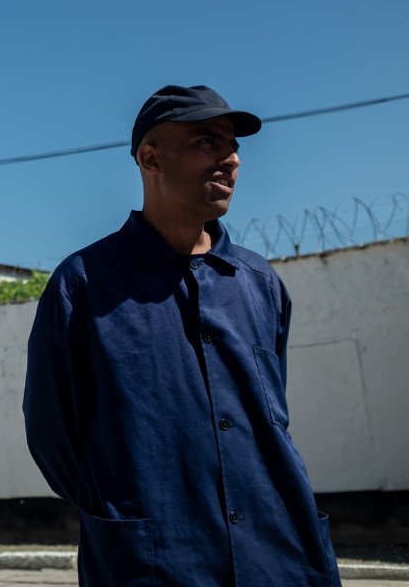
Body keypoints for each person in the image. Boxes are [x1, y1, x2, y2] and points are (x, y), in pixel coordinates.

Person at [24, 85, 341, 586]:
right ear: (151, 158)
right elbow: (52, 435)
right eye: (207, 142)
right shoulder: (85, 285)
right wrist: (125, 511)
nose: (231, 159)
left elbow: (273, 418)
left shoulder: (259, 284)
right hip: (155, 564)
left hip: (278, 555)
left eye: (232, 146)